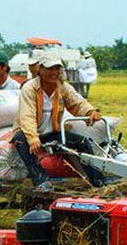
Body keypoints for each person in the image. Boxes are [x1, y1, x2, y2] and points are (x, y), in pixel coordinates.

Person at [12, 52, 107, 192]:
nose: (54, 72)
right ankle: (41, 181)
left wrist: (90, 112)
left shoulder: (63, 88)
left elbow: (78, 103)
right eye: (50, 69)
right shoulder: (29, 88)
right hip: (28, 133)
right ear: (41, 69)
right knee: (20, 140)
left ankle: (99, 182)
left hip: (52, 133)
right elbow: (27, 116)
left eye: (57, 68)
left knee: (82, 142)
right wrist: (33, 138)